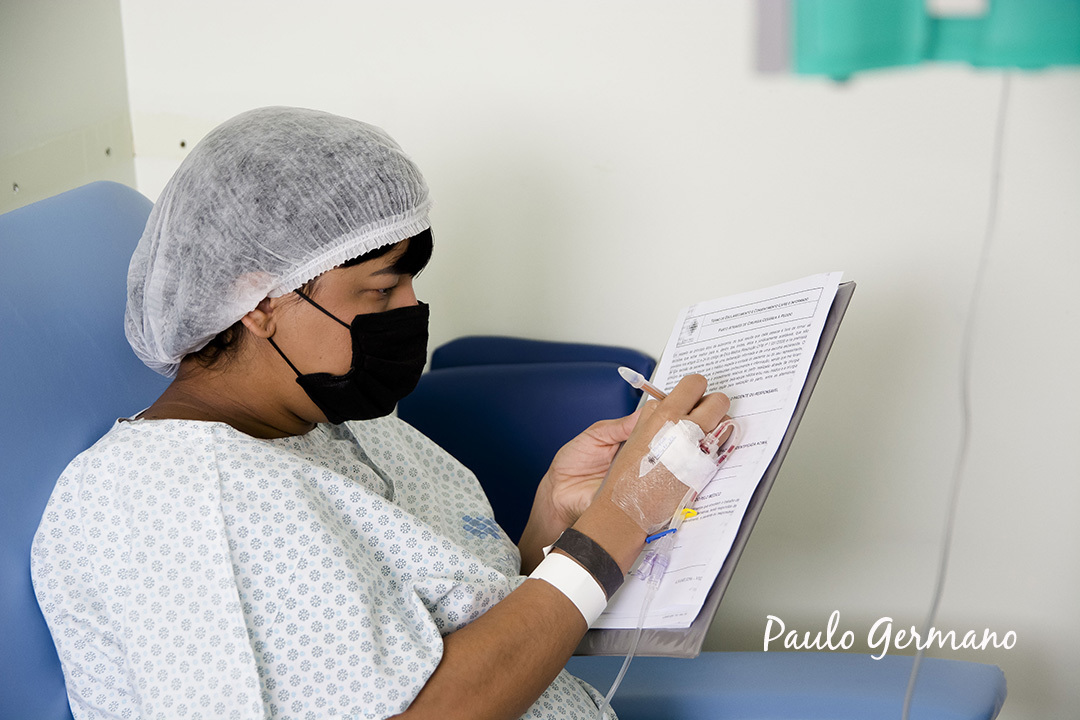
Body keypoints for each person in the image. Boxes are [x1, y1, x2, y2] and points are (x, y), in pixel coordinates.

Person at [31, 107, 729, 720]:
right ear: (262, 302)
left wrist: (555, 519)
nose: (411, 310)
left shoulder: (331, 422)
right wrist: (623, 518)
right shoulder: (176, 502)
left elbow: (441, 629)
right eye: (382, 288)